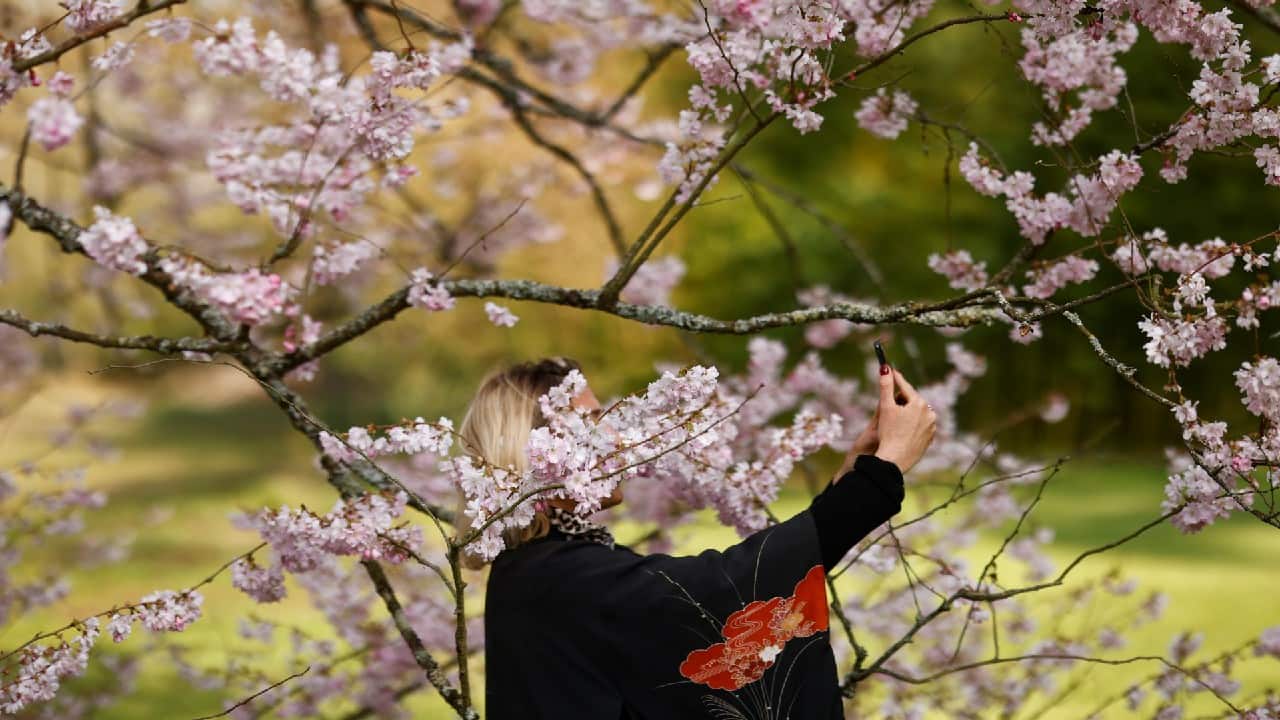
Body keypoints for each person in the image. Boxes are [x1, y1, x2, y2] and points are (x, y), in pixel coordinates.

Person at [456, 356, 936, 719]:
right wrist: (879, 475)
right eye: (592, 425)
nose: (616, 443)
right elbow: (721, 590)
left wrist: (852, 480)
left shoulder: (543, 566)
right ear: (532, 452)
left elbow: (731, 585)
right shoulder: (555, 576)